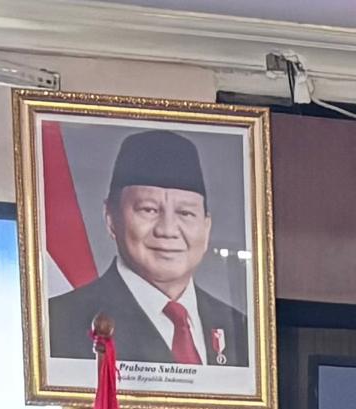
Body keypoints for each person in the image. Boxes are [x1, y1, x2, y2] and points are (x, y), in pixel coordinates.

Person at [43, 128, 249, 368]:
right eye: (149, 210)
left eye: (185, 213)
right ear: (110, 218)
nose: (167, 230)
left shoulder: (241, 331)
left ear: (206, 227)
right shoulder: (58, 323)